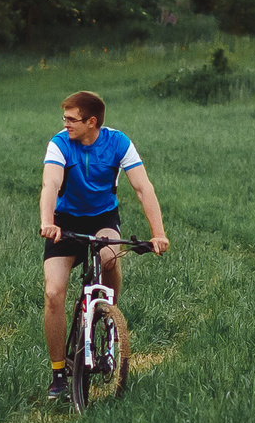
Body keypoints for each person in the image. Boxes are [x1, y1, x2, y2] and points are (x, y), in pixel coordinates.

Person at [40, 90, 168, 401]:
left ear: (92, 122)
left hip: (102, 218)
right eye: (65, 118)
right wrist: (48, 222)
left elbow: (142, 187)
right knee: (54, 292)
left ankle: (109, 314)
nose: (65, 124)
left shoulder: (118, 142)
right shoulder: (60, 143)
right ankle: (58, 372)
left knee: (111, 258)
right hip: (65, 221)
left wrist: (158, 233)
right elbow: (50, 184)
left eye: (72, 119)